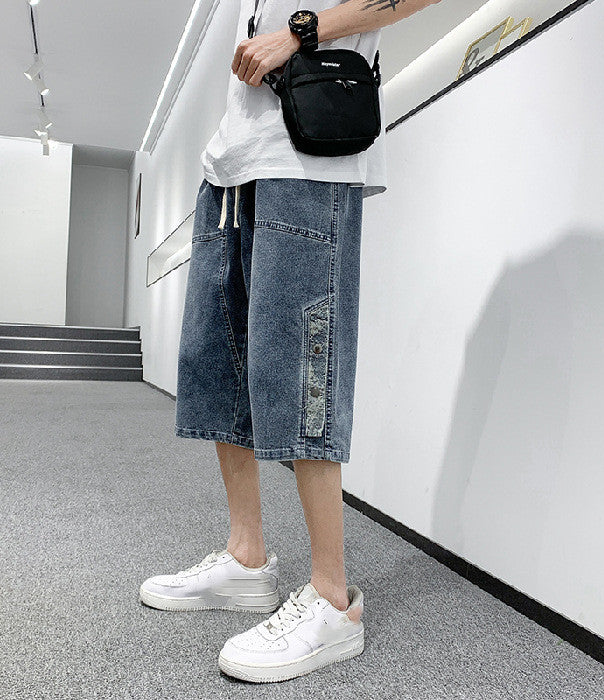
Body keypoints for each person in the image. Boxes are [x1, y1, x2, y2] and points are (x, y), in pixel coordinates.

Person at [140, 0, 441, 684]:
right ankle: (246, 556)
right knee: (218, 362)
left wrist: (299, 35)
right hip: (231, 168)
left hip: (310, 155)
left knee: (303, 366)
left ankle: (332, 598)